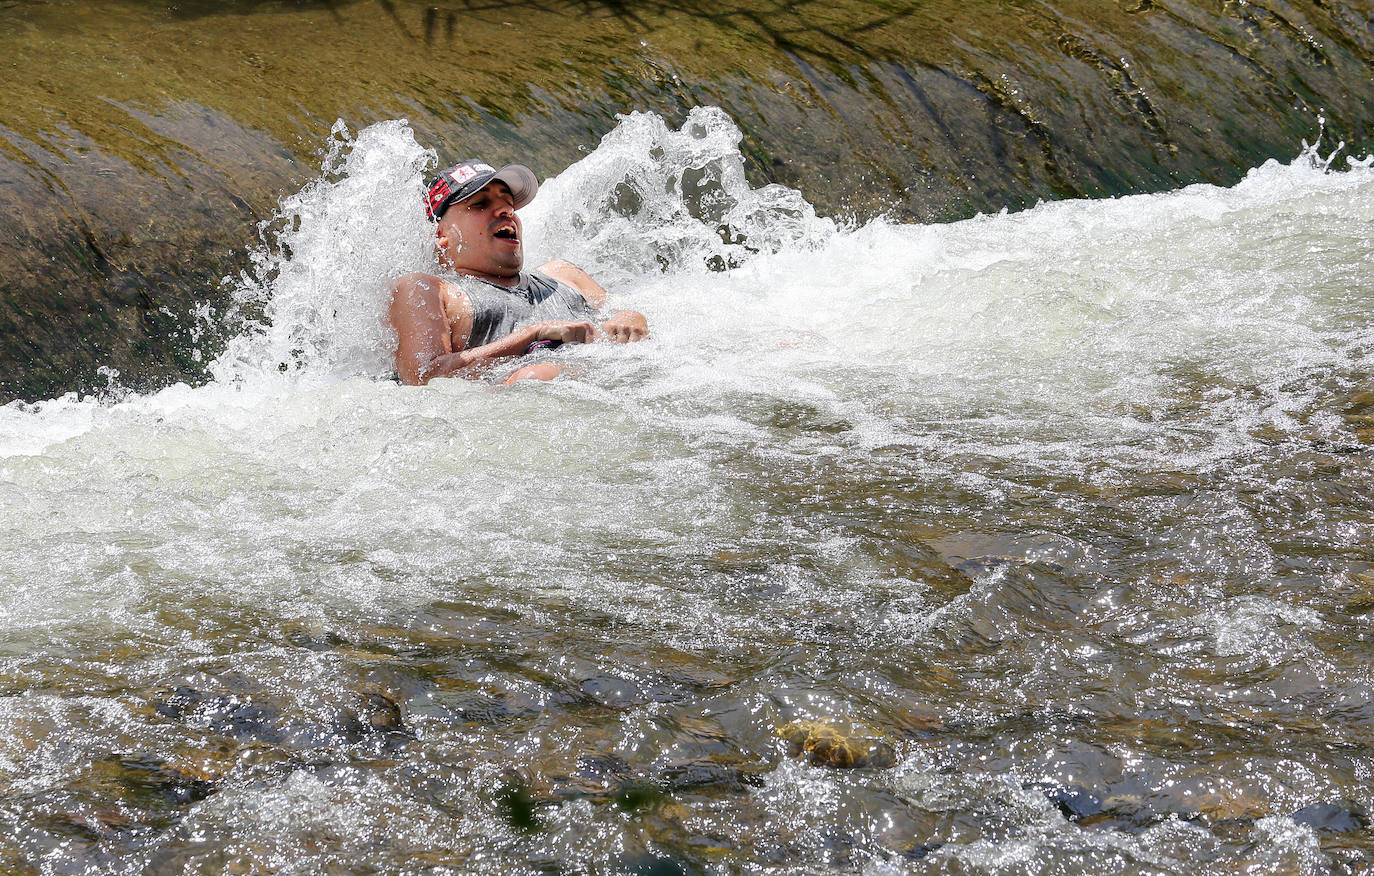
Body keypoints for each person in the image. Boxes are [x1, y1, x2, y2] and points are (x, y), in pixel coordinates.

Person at [389, 158, 649, 386]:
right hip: (521, 408)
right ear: (440, 235)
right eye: (480, 204)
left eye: (508, 202)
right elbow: (422, 379)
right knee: (537, 375)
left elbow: (627, 311)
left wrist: (631, 316)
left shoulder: (562, 274)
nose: (506, 210)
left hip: (619, 386)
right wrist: (532, 335)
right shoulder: (428, 290)